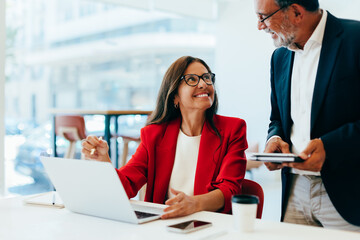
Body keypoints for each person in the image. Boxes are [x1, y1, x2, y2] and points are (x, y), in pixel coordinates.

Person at [81, 56, 247, 219]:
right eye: (191, 79)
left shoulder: (233, 129)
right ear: (175, 95)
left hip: (209, 225)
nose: (203, 84)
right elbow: (127, 185)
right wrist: (103, 161)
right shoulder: (154, 135)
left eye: (206, 78)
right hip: (163, 227)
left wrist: (194, 204)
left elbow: (229, 189)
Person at [254, 0, 360, 230]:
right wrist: (274, 138)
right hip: (294, 190)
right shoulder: (279, 57)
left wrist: (329, 147)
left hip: (349, 193)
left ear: (295, 12)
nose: (260, 26)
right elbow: (278, 118)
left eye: (263, 17)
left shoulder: (356, 39)